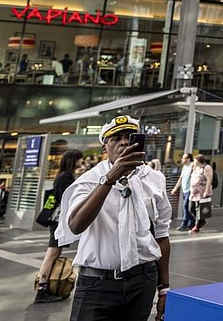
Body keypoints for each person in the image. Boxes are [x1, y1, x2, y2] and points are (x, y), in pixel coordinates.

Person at [53, 114, 171, 321]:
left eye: (130, 136)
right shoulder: (88, 181)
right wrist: (110, 179)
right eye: (116, 138)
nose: (124, 141)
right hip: (97, 284)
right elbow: (75, 225)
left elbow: (161, 234)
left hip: (142, 281)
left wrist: (164, 289)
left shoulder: (154, 179)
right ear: (104, 148)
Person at [34, 148, 83, 303]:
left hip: (57, 221)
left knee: (53, 253)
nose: (81, 161)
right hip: (58, 221)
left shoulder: (63, 176)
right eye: (79, 159)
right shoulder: (65, 177)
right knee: (52, 253)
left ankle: (45, 286)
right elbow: (67, 199)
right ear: (72, 160)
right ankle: (42, 288)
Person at [171, 153, 195, 230]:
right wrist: (175, 188)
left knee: (185, 206)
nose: (182, 160)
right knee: (188, 207)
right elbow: (181, 178)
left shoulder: (192, 166)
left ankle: (184, 223)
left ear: (188, 159)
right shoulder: (185, 167)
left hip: (190, 189)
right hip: (184, 189)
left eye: (184, 158)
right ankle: (191, 222)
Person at [189, 154, 213, 233]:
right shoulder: (195, 168)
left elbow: (209, 179)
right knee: (191, 208)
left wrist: (206, 191)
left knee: (200, 209)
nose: (194, 162)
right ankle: (201, 220)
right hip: (194, 192)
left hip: (202, 191)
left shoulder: (206, 168)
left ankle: (197, 226)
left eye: (195, 160)